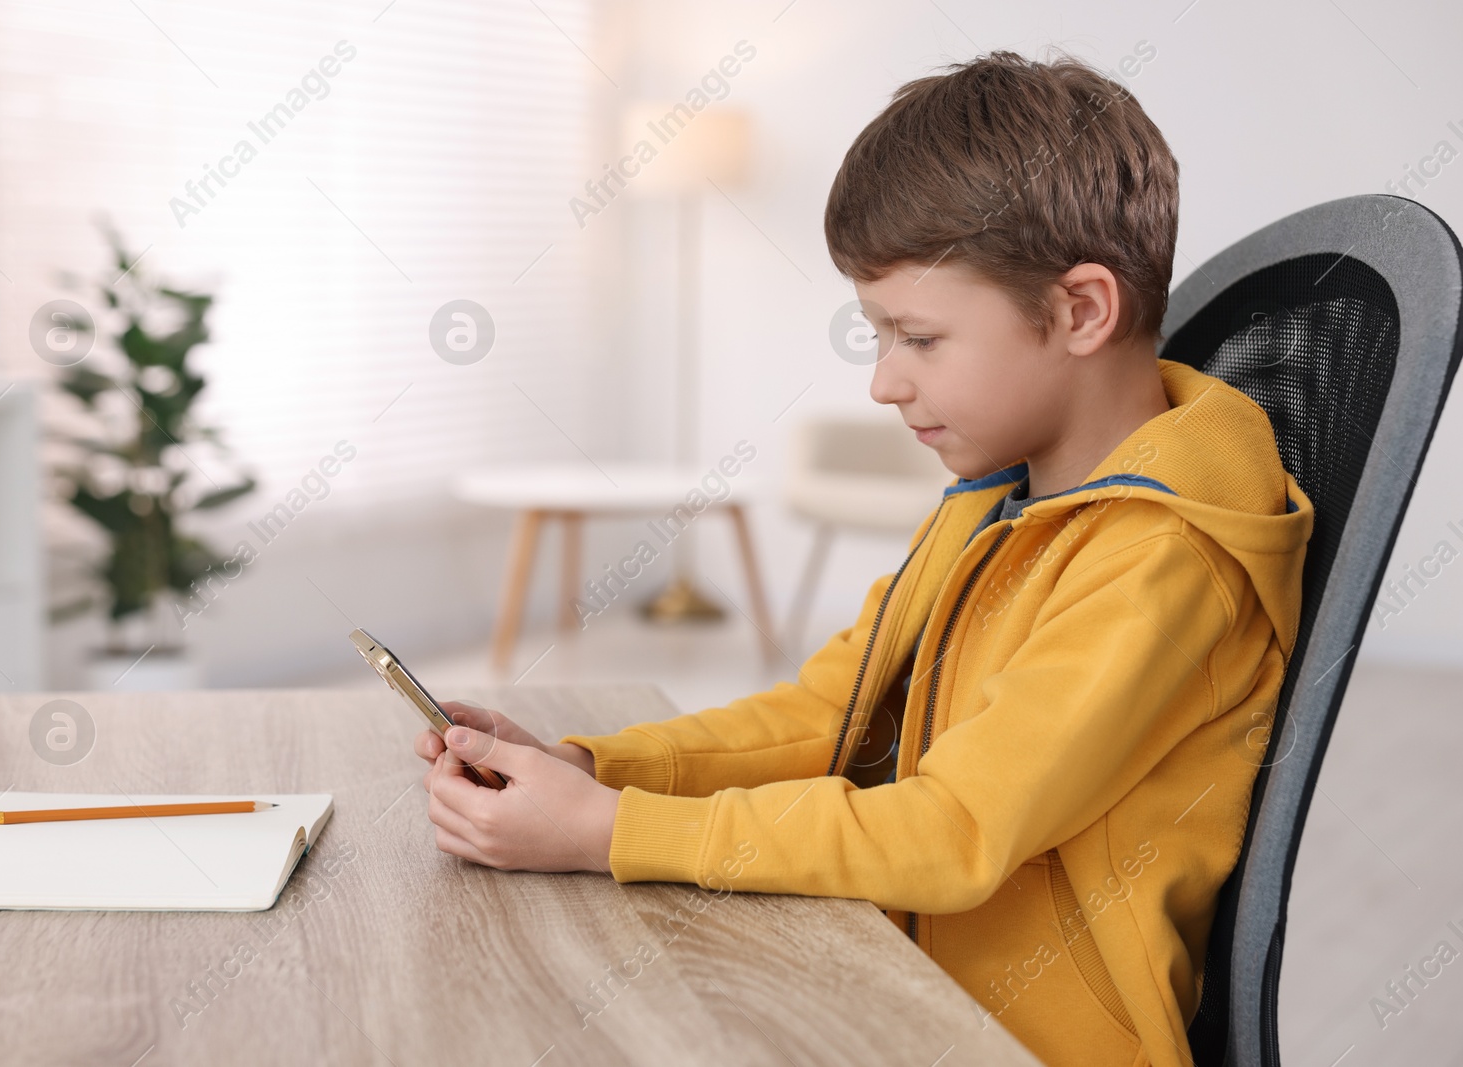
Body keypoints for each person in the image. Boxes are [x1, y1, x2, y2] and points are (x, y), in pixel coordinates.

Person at [413, 49, 1313, 1067]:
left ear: (1080, 311)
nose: (884, 382)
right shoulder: (997, 498)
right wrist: (591, 770)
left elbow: (951, 828)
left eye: (916, 337)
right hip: (897, 967)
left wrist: (609, 831)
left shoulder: (1160, 560)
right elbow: (824, 713)